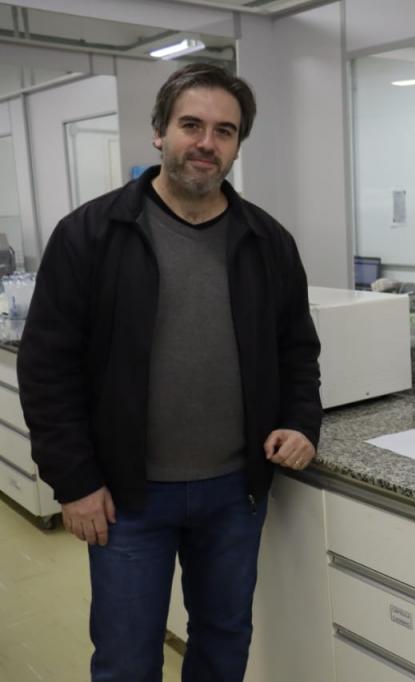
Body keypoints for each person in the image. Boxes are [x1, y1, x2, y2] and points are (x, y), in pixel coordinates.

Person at [17, 63, 322, 681]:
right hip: (128, 496)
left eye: (225, 131)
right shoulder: (90, 234)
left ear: (238, 144)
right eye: (191, 124)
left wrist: (300, 421)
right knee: (127, 658)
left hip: (235, 493)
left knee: (222, 642)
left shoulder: (268, 241)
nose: (207, 142)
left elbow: (297, 350)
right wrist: (73, 481)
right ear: (160, 132)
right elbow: (47, 367)